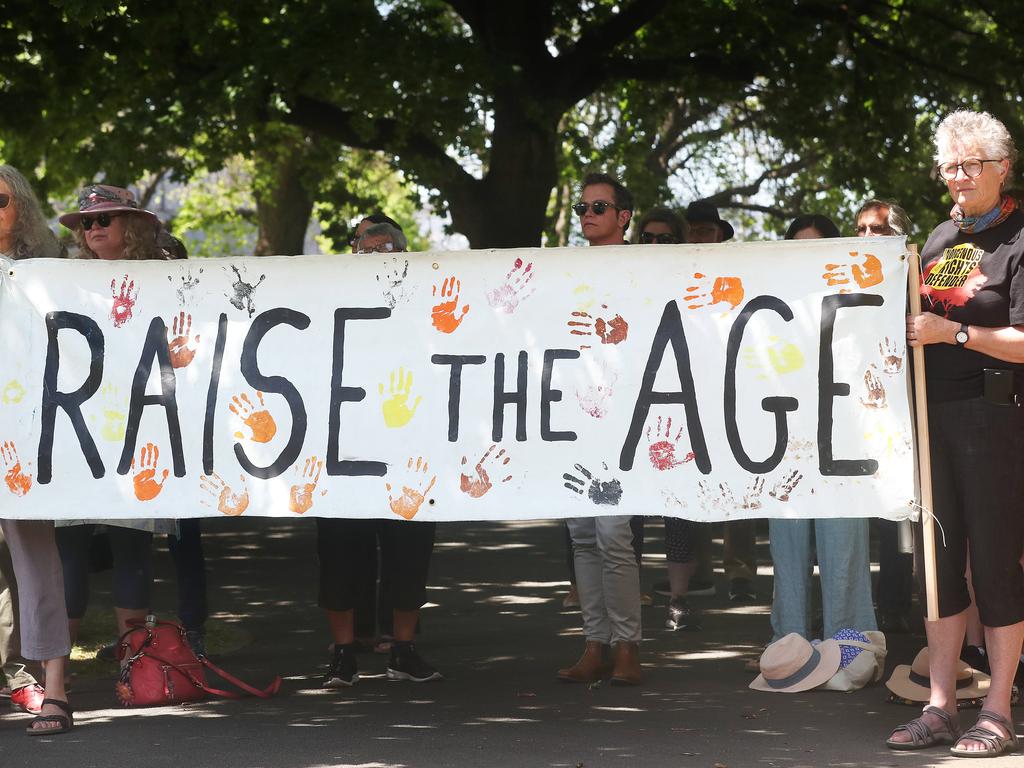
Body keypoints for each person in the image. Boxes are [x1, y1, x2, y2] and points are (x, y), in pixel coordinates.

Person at [888, 109, 1024, 757]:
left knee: (996, 563)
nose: (959, 176)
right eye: (950, 166)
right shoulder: (940, 240)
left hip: (997, 418)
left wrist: (957, 334)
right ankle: (940, 705)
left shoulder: (1021, 236)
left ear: (1004, 167)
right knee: (938, 568)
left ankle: (997, 707)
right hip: (931, 419)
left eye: (972, 164)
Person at [319, 219, 440, 685]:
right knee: (339, 555)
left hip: (408, 453)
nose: (376, 256)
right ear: (352, 253)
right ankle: (343, 653)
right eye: (366, 250)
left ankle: (404, 650)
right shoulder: (326, 300)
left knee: (409, 553)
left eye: (386, 249)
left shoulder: (422, 305)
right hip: (342, 454)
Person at [55, 185, 174, 651]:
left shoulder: (167, 281)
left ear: (133, 226)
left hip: (142, 429)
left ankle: (134, 661)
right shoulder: (60, 284)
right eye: (87, 223)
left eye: (104, 219)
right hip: (74, 429)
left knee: (132, 545)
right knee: (70, 548)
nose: (94, 229)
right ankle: (57, 671)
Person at [766, 214, 877, 649]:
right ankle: (788, 649)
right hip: (786, 443)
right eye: (797, 248)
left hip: (844, 441)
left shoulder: (861, 302)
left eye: (815, 247)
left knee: (844, 547)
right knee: (786, 551)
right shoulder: (771, 305)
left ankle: (850, 650)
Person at [559, 172, 641, 685]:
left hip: (626, 415)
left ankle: (628, 646)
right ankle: (595, 643)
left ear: (623, 216)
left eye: (599, 206)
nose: (587, 214)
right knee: (581, 535)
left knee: (614, 535)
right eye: (582, 207)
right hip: (572, 416)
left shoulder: (645, 267)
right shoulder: (563, 270)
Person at [0, 164, 73, 734]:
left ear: (19, 207)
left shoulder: (46, 274)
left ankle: (55, 690)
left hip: (24, 437)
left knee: (35, 560)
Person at [852, 199, 916, 636]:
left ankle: (894, 606)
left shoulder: (915, 279)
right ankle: (851, 612)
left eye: (877, 229)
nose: (867, 237)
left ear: (898, 234)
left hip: (903, 411)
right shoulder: (842, 280)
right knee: (851, 515)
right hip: (851, 414)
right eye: (861, 229)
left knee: (898, 518)